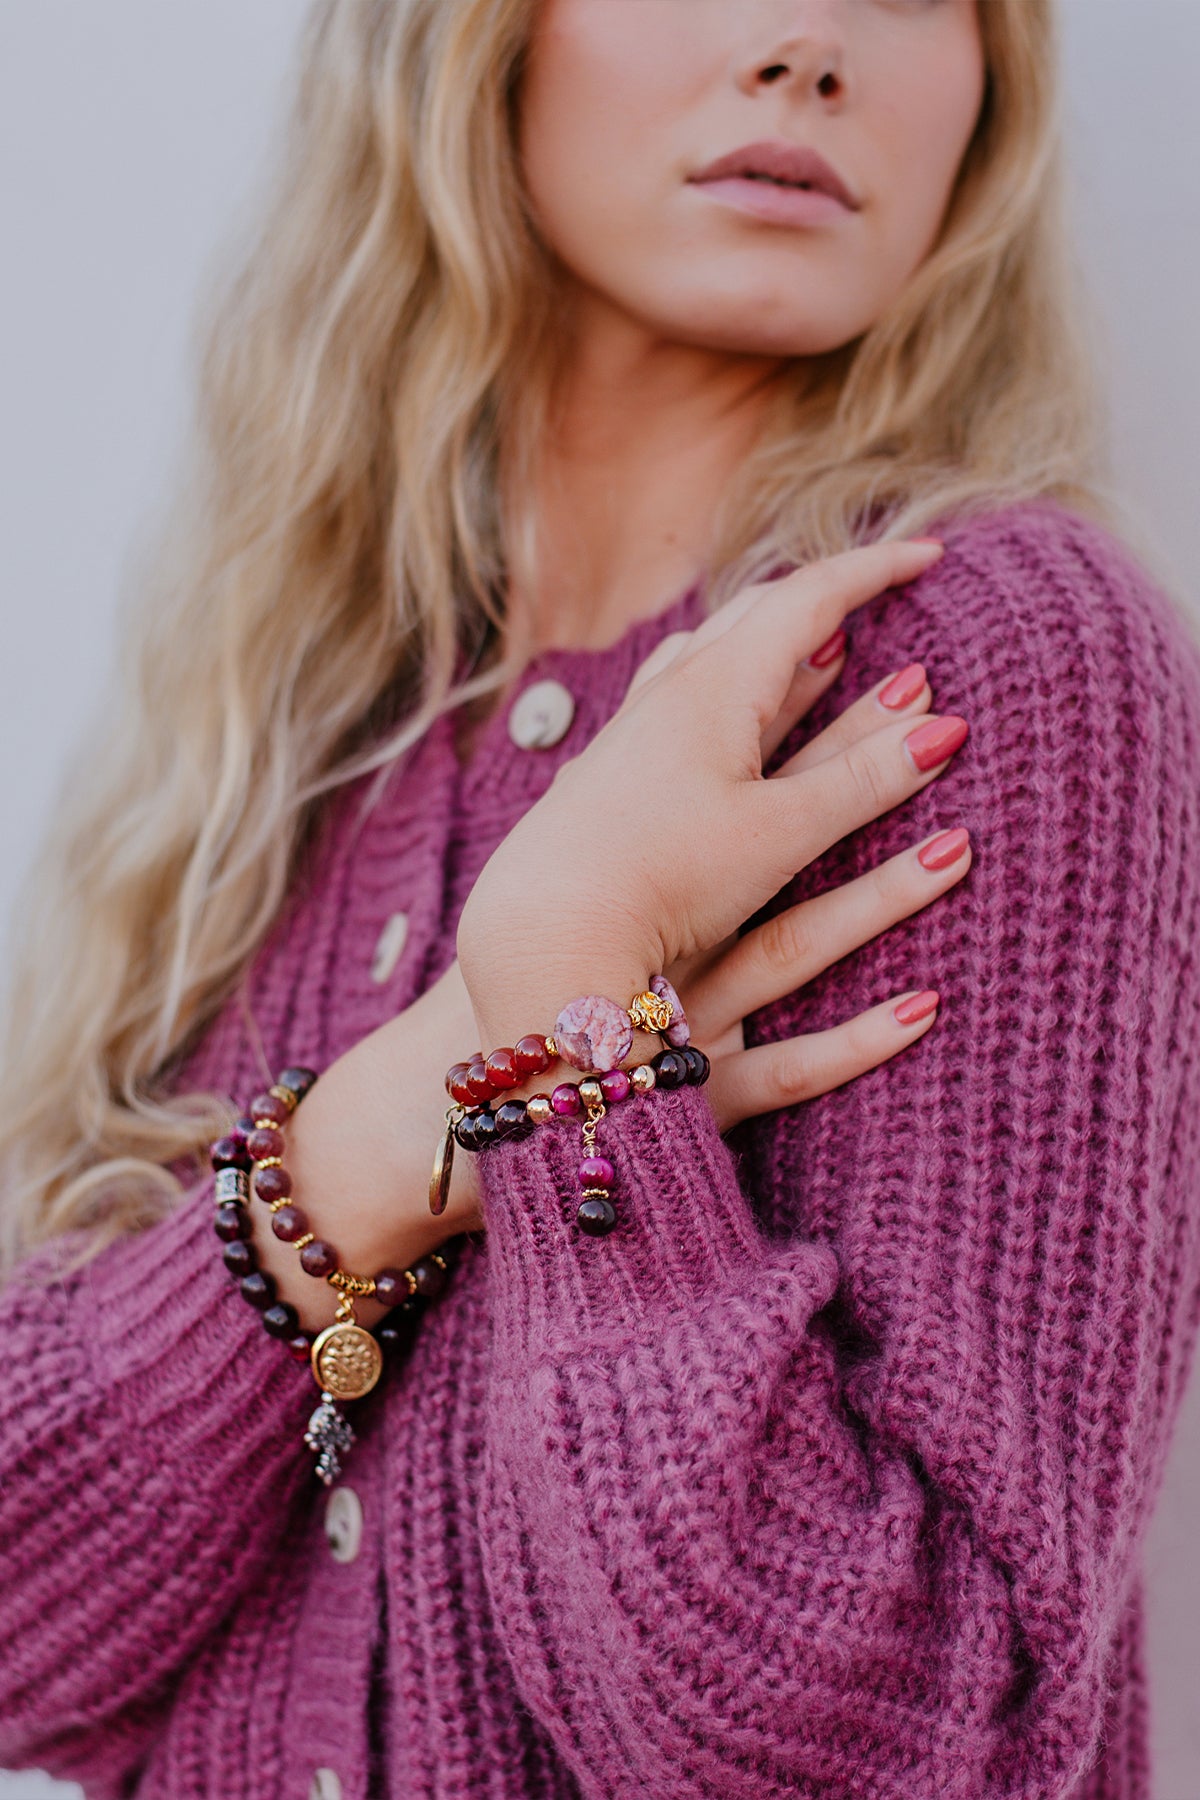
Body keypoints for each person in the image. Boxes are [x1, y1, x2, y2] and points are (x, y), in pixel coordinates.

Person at [1, 1, 1198, 1796]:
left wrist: (572, 1006)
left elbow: (903, 1742)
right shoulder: (287, 726)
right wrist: (408, 1111)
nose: (807, 51)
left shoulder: (976, 670)